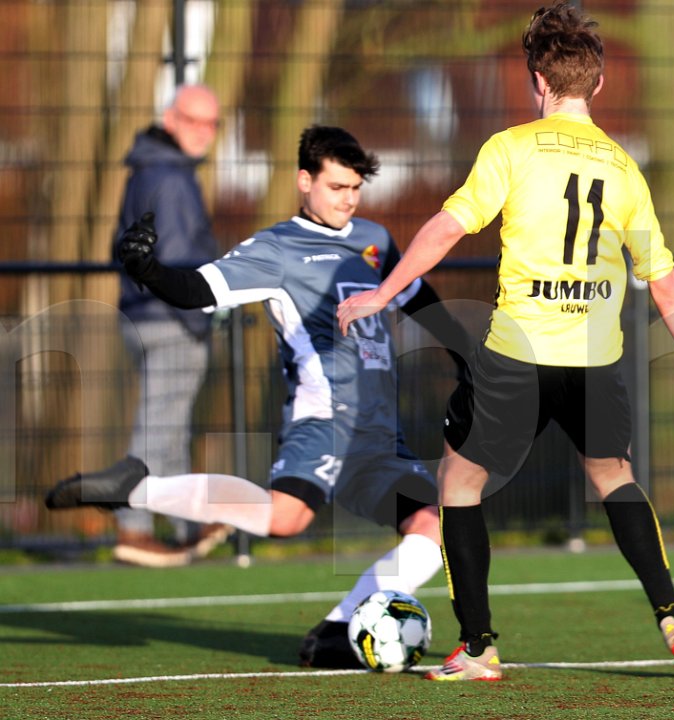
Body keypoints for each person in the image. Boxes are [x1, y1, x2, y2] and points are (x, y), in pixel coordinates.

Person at [337, 3, 674, 682]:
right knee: (614, 478)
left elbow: (447, 226)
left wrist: (382, 292)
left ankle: (478, 648)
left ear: (537, 81)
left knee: (458, 483)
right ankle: (673, 616)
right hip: (595, 360)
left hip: (517, 355)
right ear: (597, 83)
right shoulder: (624, 168)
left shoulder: (511, 148)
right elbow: (662, 278)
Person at [46, 125, 471, 669]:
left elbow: (417, 298)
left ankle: (338, 631)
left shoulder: (374, 239)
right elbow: (199, 290)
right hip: (325, 421)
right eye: (336, 187)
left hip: (380, 434)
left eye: (355, 188)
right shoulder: (276, 249)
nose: (348, 199)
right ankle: (138, 488)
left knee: (431, 528)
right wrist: (148, 270)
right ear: (304, 181)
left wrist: (465, 354)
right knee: (284, 519)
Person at [113, 83, 232, 568]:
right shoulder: (173, 178)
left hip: (142, 314)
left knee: (170, 425)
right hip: (171, 318)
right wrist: (203, 313)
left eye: (212, 122)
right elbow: (181, 258)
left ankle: (187, 525)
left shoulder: (146, 170)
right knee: (159, 426)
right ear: (169, 118)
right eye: (193, 120)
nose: (203, 131)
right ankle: (134, 528)